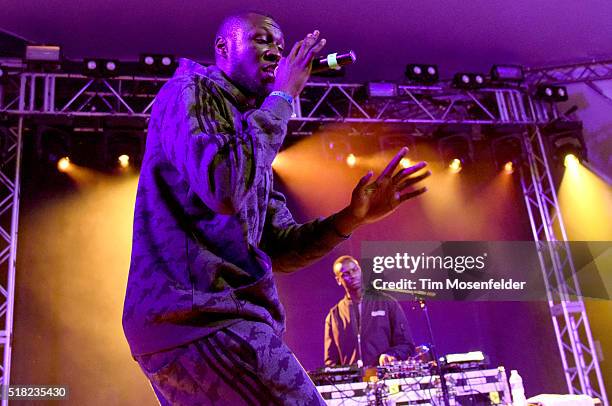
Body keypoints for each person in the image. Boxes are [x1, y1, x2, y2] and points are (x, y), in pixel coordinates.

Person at [122, 11, 430, 406]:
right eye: (262, 41)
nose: (275, 54)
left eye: (280, 48)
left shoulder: (247, 128)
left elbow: (279, 247)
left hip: (203, 322)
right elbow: (224, 186)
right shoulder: (191, 90)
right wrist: (282, 98)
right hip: (200, 317)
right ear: (222, 48)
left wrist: (352, 216)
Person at [324, 255, 415, 367]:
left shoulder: (386, 303)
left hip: (383, 378)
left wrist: (391, 355)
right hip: (353, 383)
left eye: (354, 270)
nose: (352, 275)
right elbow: (331, 362)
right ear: (338, 280)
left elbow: (406, 344)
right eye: (345, 274)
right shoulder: (334, 316)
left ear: (360, 270)